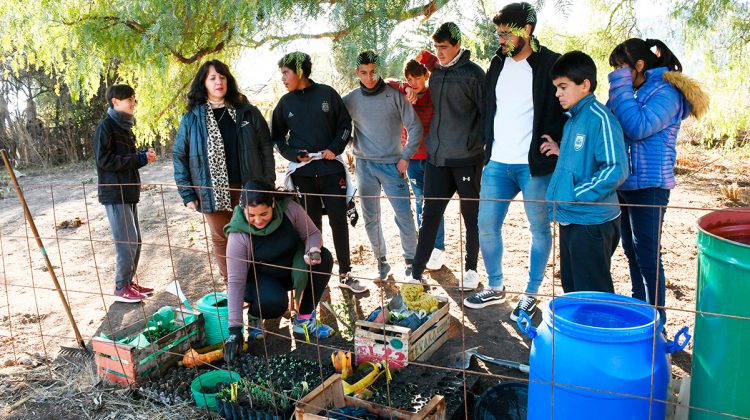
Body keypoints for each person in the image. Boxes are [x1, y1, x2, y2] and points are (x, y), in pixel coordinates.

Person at [464, 2, 565, 321]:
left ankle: (531, 294)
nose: (500, 39)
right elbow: (490, 108)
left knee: (539, 229)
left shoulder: (552, 64)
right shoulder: (497, 63)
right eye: (498, 33)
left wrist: (559, 140)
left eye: (506, 33)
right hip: (497, 163)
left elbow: (570, 102)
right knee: (486, 226)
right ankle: (495, 286)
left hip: (534, 166)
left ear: (528, 30)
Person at [607, 38, 708, 323]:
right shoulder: (631, 90)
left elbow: (637, 127)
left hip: (651, 186)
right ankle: (641, 312)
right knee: (630, 250)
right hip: (625, 184)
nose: (616, 74)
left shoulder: (667, 92)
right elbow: (612, 121)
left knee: (648, 254)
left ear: (639, 65)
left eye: (620, 68)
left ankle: (657, 320)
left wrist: (620, 85)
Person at [173, 60, 275, 284]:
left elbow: (266, 148)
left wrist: (267, 183)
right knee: (222, 239)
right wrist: (187, 193)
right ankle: (235, 286)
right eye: (212, 78)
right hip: (211, 189)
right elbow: (179, 156)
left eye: (222, 77)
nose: (219, 82)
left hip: (249, 187)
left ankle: (262, 285)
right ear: (204, 83)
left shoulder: (247, 112)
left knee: (254, 235)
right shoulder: (192, 119)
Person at [271, 52, 365, 294]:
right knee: (311, 226)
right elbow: (278, 139)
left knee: (338, 221)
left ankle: (345, 273)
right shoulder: (285, 104)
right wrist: (293, 154)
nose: (282, 78)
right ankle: (317, 275)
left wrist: (334, 148)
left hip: (332, 171)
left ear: (299, 72)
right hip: (303, 174)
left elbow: (345, 126)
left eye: (285, 73)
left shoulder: (327, 94)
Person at [408, 22, 486, 291]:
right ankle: (416, 272)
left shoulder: (475, 74)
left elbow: (487, 115)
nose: (439, 52)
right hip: (436, 159)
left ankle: (472, 269)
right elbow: (424, 69)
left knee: (471, 217)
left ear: (457, 46)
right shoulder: (437, 73)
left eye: (444, 47)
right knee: (429, 215)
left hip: (467, 159)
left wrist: (478, 148)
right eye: (436, 47)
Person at [223, 182, 335, 361]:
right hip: (260, 279)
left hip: (290, 269)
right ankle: (255, 315)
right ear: (243, 208)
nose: (258, 220)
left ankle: (304, 319)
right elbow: (236, 282)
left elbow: (312, 234)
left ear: (273, 204)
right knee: (275, 304)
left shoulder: (290, 209)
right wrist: (234, 330)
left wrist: (312, 250)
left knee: (324, 259)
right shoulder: (238, 234)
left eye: (263, 214)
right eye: (251, 215)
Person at [545, 51, 628, 293]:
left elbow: (616, 168)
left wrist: (573, 193)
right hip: (571, 216)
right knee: (572, 288)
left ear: (585, 85)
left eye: (563, 87)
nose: (557, 93)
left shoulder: (600, 118)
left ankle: (600, 332)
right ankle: (578, 332)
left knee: (593, 293)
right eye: (556, 88)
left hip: (592, 222)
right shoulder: (572, 119)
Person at [343, 50, 422, 281]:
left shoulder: (396, 95)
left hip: (392, 164)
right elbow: (339, 127)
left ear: (379, 71)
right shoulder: (349, 100)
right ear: (357, 72)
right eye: (364, 73)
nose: (369, 77)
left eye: (373, 72)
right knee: (371, 216)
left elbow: (415, 127)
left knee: (404, 215)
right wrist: (345, 144)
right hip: (364, 165)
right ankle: (382, 262)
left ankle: (410, 263)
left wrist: (406, 156)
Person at [94, 84, 157, 303]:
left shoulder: (125, 128)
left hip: (129, 191)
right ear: (115, 102)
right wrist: (136, 159)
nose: (133, 103)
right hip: (114, 193)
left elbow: (127, 160)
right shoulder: (106, 127)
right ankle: (121, 287)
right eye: (128, 99)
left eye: (133, 99)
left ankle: (129, 282)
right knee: (126, 241)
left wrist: (142, 156)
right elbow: (104, 161)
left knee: (136, 240)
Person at [386, 59, 447, 271]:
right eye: (409, 79)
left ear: (426, 76)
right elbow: (387, 81)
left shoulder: (434, 93)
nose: (413, 82)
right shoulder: (404, 94)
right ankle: (427, 247)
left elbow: (441, 71)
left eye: (417, 78)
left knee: (432, 203)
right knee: (420, 202)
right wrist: (404, 87)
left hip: (432, 158)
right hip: (411, 158)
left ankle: (438, 248)